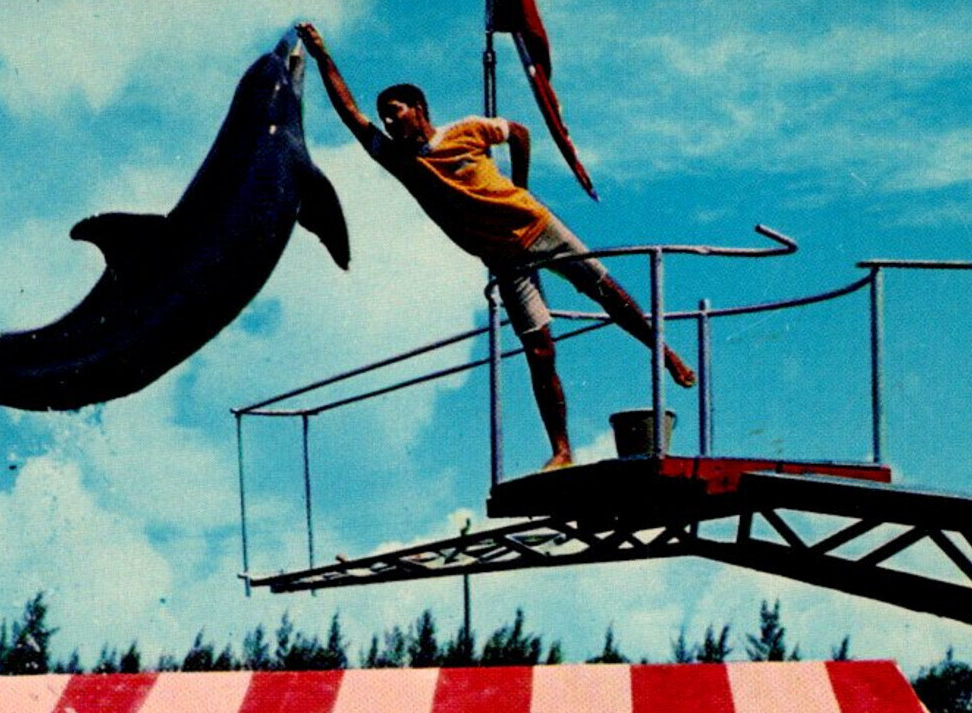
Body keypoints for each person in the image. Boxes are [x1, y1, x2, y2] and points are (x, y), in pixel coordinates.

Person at [296, 23, 696, 472]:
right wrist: (321, 55)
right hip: (504, 260)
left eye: (396, 111)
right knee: (539, 351)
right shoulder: (401, 161)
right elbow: (351, 115)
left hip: (536, 225)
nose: (389, 121)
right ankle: (562, 450)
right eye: (386, 116)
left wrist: (520, 185)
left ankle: (667, 356)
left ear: (419, 108)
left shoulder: (466, 130)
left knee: (608, 293)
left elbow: (520, 132)